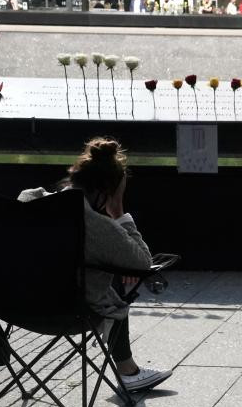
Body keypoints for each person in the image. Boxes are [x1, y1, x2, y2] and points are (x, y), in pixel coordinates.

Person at [17, 138, 172, 392]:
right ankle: (128, 371)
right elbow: (142, 264)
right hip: (68, 312)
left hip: (10, 303)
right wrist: (118, 209)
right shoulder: (95, 226)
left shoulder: (27, 200)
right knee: (113, 293)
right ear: (107, 190)